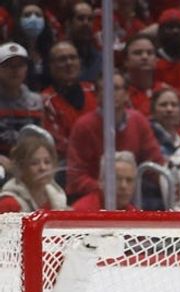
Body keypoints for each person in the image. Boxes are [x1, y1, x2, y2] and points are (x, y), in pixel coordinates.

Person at [66, 72, 162, 202]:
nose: (111, 93)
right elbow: (75, 177)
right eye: (105, 89)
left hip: (131, 194)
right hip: (95, 197)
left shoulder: (138, 121)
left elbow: (156, 164)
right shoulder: (83, 126)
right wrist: (106, 188)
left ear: (127, 94)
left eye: (116, 88)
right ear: (97, 95)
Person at [40, 41, 96, 161]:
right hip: (68, 164)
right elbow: (56, 143)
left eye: (73, 58)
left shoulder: (95, 91)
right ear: (51, 66)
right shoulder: (46, 101)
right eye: (62, 59)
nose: (69, 63)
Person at [0, 129, 67, 211]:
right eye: (34, 163)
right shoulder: (9, 204)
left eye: (47, 162)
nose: (43, 168)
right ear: (21, 167)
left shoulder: (58, 199)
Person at [0, 43, 42, 170]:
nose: (15, 70)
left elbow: (42, 139)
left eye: (20, 65)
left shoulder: (36, 101)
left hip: (30, 163)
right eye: (8, 66)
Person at [71, 149, 138, 210]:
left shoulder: (134, 213)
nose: (123, 186)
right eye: (117, 179)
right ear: (101, 182)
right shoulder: (82, 211)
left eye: (129, 180)